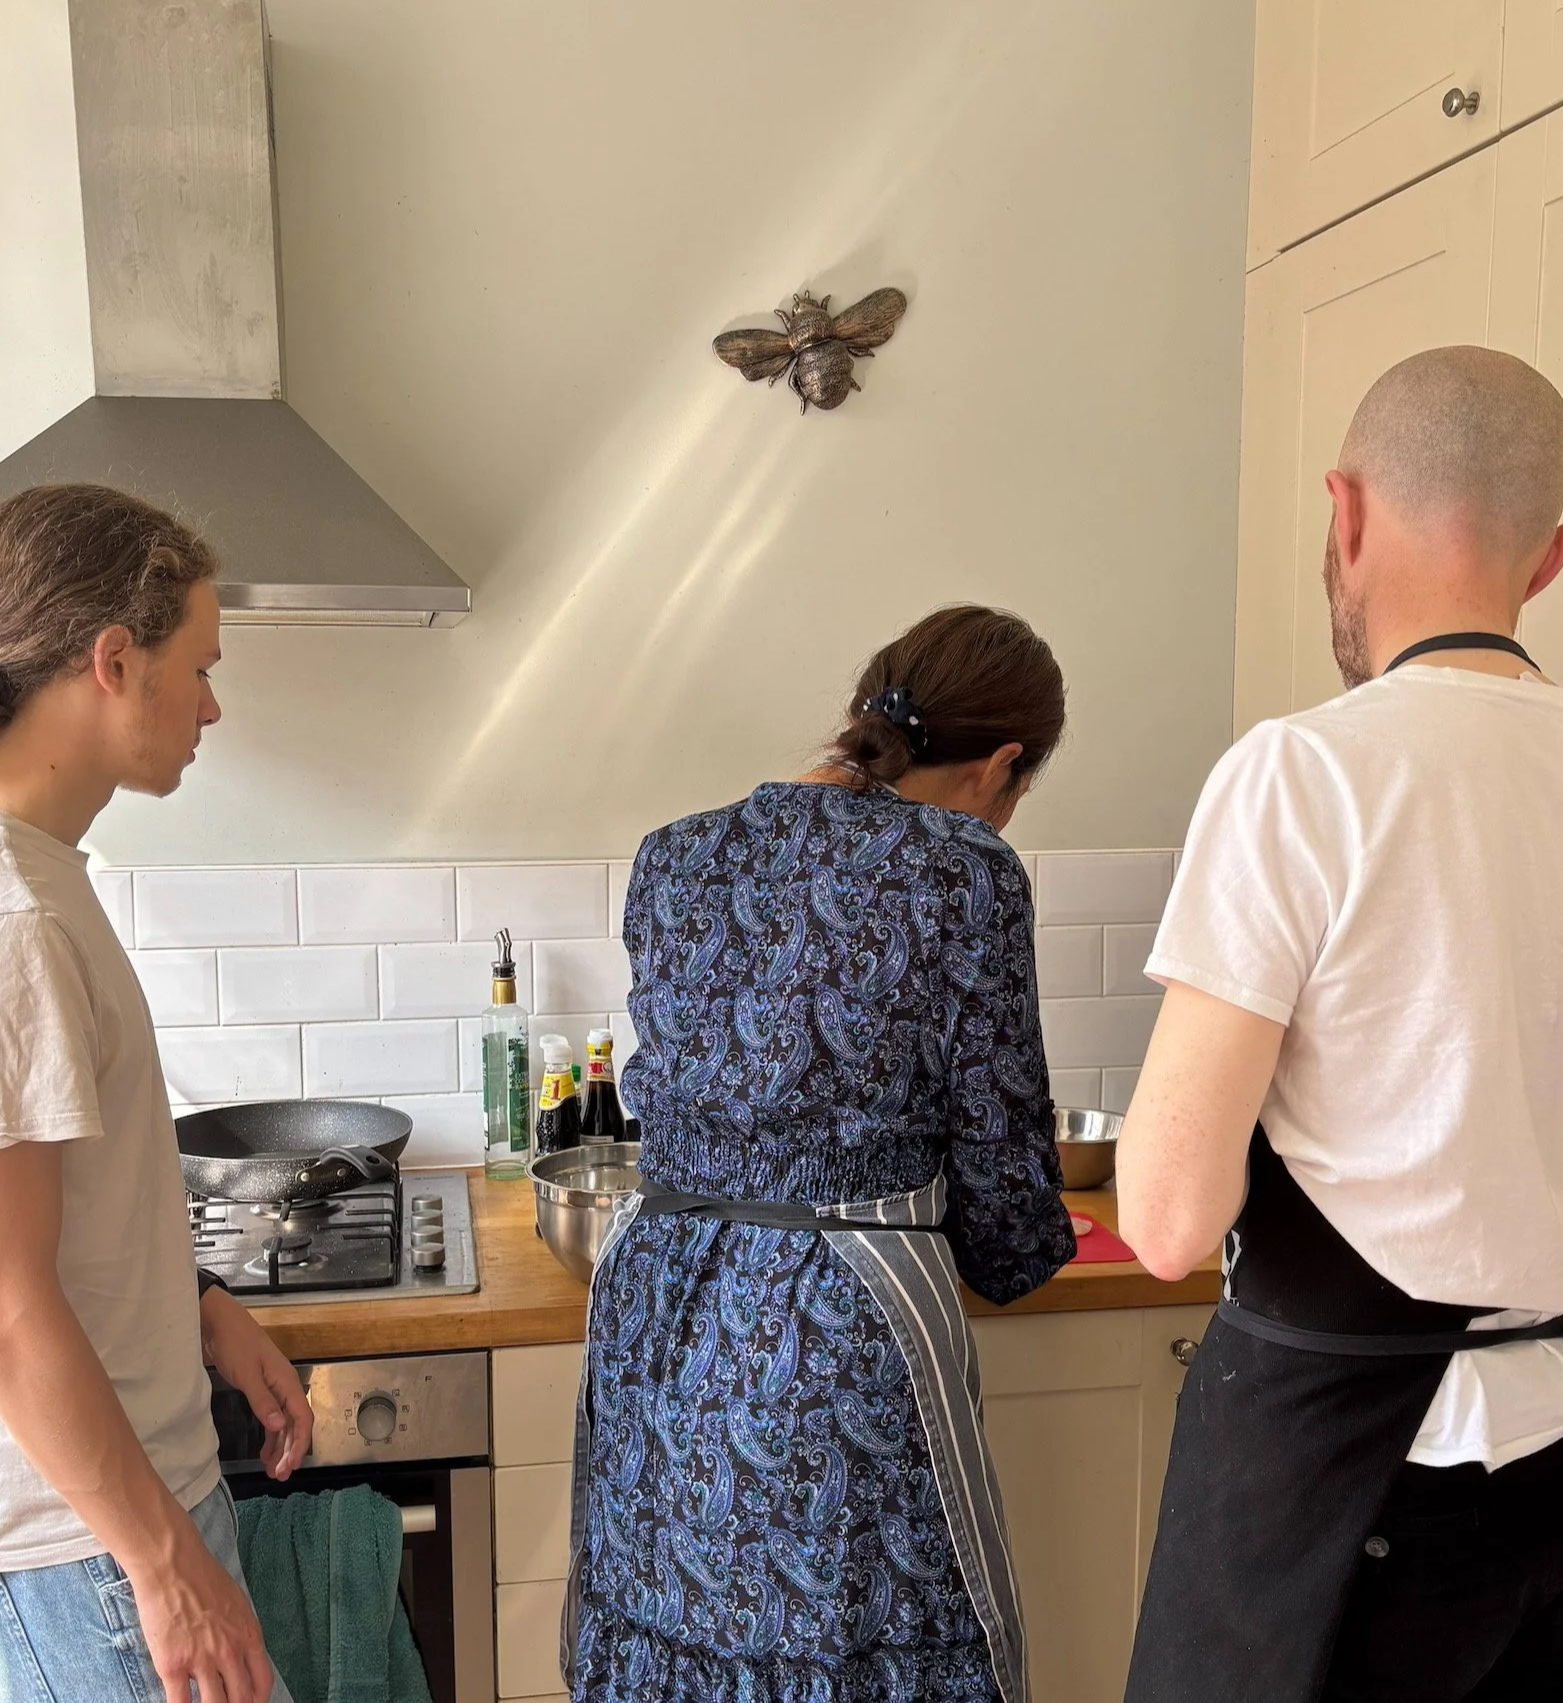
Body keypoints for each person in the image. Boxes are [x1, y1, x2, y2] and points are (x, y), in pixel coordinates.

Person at [1118, 347, 1563, 1701]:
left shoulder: (1301, 773)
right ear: (1546, 559)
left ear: (1343, 515)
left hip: (1340, 1494)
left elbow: (1165, 1217)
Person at [0, 485, 313, 1703]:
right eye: (197, 666)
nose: (211, 705)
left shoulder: (28, 880)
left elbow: (61, 1219)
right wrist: (164, 1564)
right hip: (84, 1544)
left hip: (105, 1514)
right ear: (114, 660)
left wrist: (202, 1302)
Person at [563, 605, 1077, 1703]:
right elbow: (1004, 1199)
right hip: (832, 1330)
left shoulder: (673, 854)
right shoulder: (964, 872)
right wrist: (1023, 1247)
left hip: (656, 1307)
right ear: (999, 765)